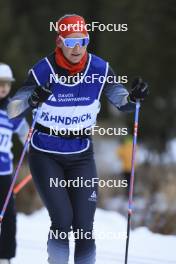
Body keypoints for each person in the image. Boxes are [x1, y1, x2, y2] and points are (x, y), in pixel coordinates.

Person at [7, 14, 149, 264]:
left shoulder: (100, 69)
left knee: (84, 225)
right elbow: (12, 109)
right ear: (59, 41)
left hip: (80, 153)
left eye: (82, 40)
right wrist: (32, 99)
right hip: (45, 153)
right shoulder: (44, 69)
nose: (77, 48)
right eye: (70, 41)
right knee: (62, 220)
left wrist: (135, 97)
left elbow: (123, 102)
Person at [0, 63, 29, 264]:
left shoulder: (13, 111)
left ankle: (5, 256)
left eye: (7, 85)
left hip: (4, 173)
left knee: (8, 216)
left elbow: (25, 135)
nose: (3, 88)